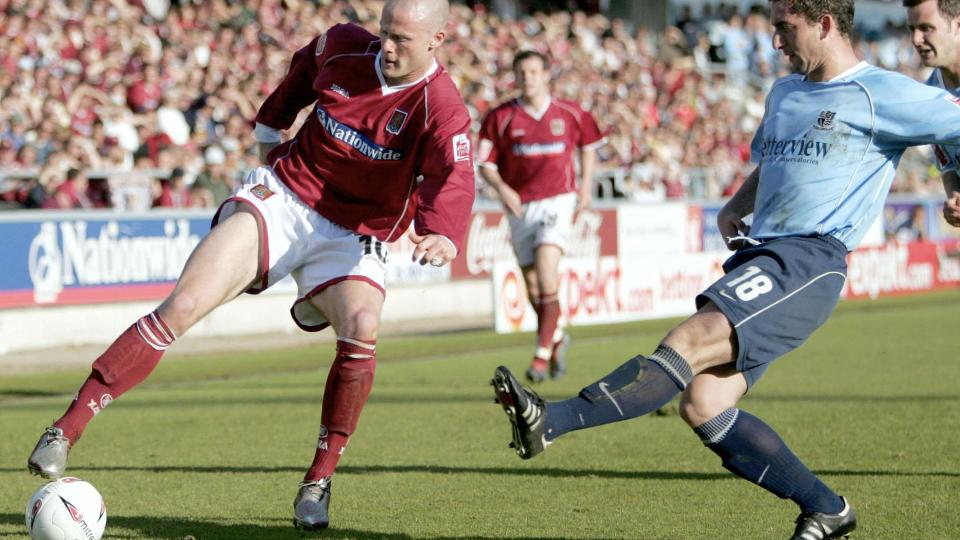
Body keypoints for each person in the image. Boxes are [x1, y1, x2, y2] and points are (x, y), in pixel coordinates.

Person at [491, 1, 960, 538]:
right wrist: (739, 203)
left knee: (685, 344)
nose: (777, 42)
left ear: (825, 24)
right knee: (704, 402)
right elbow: (775, 160)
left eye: (786, 29)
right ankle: (827, 508)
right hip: (763, 253)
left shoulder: (883, 92)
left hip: (810, 259)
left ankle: (550, 420)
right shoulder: (785, 92)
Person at [27, 0, 475, 532]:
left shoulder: (441, 106)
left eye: (403, 38)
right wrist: (271, 125)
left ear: (437, 39)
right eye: (385, 33)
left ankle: (318, 479)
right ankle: (66, 429)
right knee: (186, 303)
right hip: (287, 198)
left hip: (355, 234)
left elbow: (455, 173)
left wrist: (444, 231)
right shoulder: (345, 44)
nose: (389, 47)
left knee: (362, 327)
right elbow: (303, 68)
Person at [477, 50, 605, 384]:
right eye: (522, 72)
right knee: (534, 289)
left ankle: (539, 356)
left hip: (558, 202)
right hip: (520, 208)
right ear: (515, 76)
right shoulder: (500, 117)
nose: (528, 77)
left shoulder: (571, 113)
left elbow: (589, 146)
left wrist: (586, 188)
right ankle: (557, 336)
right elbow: (485, 163)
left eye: (534, 71)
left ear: (546, 74)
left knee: (548, 275)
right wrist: (504, 190)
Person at [904, 0, 960, 227]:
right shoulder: (928, 95)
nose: (916, 40)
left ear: (957, 25)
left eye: (926, 28)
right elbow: (947, 165)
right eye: (911, 29)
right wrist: (955, 199)